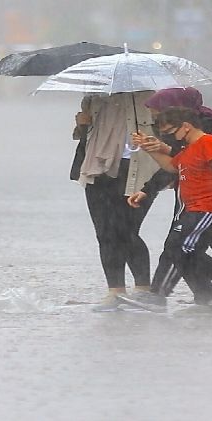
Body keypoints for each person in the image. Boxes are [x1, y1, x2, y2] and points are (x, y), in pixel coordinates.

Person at [126, 106, 212, 311]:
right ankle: (205, 297)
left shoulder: (208, 141)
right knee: (179, 250)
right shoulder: (188, 150)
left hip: (208, 205)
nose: (170, 138)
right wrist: (149, 149)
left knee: (181, 248)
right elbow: (172, 167)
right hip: (195, 207)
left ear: (186, 127)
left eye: (171, 132)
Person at [72, 91, 162, 311]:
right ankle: (115, 291)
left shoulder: (151, 98)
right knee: (104, 232)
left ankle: (142, 289)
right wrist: (81, 124)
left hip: (138, 170)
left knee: (127, 231)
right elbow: (85, 135)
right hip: (97, 168)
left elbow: (167, 133)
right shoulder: (94, 97)